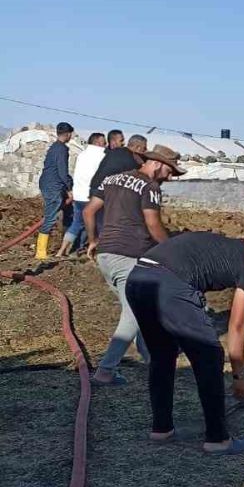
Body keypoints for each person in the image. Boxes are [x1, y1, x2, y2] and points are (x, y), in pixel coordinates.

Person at [125, 228, 244, 454]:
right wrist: (239, 376)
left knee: (163, 354)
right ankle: (218, 439)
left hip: (138, 278)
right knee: (210, 354)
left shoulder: (220, 245)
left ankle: (161, 428)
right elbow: (237, 324)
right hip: (169, 283)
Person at [83, 145, 184, 385]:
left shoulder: (111, 179)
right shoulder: (150, 187)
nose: (169, 178)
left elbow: (88, 212)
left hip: (106, 256)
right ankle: (105, 370)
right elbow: (153, 223)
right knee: (134, 315)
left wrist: (93, 240)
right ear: (158, 164)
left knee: (137, 309)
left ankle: (150, 356)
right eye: (170, 172)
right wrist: (172, 251)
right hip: (129, 258)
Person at [55, 132, 106, 257]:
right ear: (98, 142)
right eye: (104, 142)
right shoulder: (103, 155)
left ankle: (62, 251)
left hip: (79, 195)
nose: (105, 145)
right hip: (93, 196)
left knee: (77, 223)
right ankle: (89, 250)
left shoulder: (82, 155)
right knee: (97, 224)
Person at [89, 134, 147, 239]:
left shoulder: (115, 152)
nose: (145, 150)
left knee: (98, 220)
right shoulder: (131, 161)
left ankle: (95, 243)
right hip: (105, 192)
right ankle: (105, 245)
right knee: (107, 222)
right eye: (144, 148)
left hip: (94, 187)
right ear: (137, 147)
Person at [35, 122, 75, 260]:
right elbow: (62, 171)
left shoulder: (54, 147)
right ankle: (40, 252)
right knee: (50, 217)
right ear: (68, 134)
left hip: (47, 183)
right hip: (53, 186)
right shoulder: (62, 149)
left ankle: (64, 244)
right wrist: (70, 189)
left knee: (66, 211)